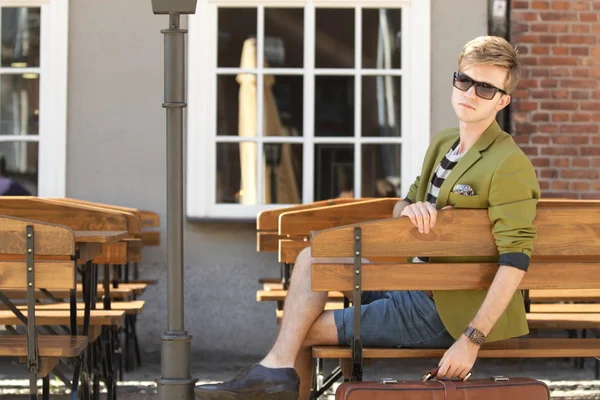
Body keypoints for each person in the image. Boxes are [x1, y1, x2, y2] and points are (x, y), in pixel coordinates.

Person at [195, 35, 540, 400]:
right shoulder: (443, 143)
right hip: (411, 281)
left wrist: (471, 340)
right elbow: (400, 206)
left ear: (503, 100)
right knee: (314, 256)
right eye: (464, 80)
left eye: (485, 88)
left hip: (445, 310)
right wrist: (411, 209)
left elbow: (515, 260)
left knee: (301, 327)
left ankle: (275, 378)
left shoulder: (509, 163)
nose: (470, 93)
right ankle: (276, 375)